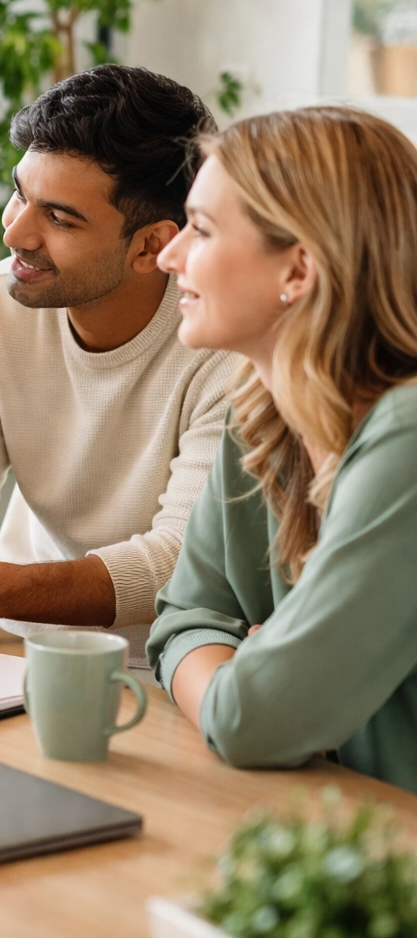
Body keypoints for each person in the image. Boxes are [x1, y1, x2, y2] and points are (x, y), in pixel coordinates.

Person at [0, 65, 241, 666]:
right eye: (19, 193)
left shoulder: (228, 345)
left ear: (150, 246)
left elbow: (181, 558)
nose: (14, 232)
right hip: (22, 651)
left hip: (178, 670)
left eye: (59, 218)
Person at [148, 106, 417, 793]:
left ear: (298, 270)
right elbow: (182, 618)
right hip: (335, 824)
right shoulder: (262, 412)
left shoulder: (408, 438)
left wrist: (247, 685)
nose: (167, 255)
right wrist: (246, 676)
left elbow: (254, 722)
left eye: (202, 230)